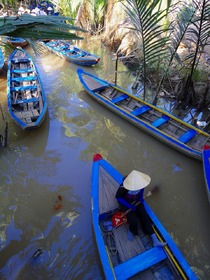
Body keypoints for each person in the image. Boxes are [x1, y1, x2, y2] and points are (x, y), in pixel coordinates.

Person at [115, 170, 166, 246]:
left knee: (145, 217)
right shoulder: (123, 187)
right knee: (134, 220)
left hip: (136, 201)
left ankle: (155, 240)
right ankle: (131, 230)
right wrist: (129, 206)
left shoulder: (141, 184)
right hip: (126, 203)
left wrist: (141, 198)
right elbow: (118, 197)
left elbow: (141, 190)